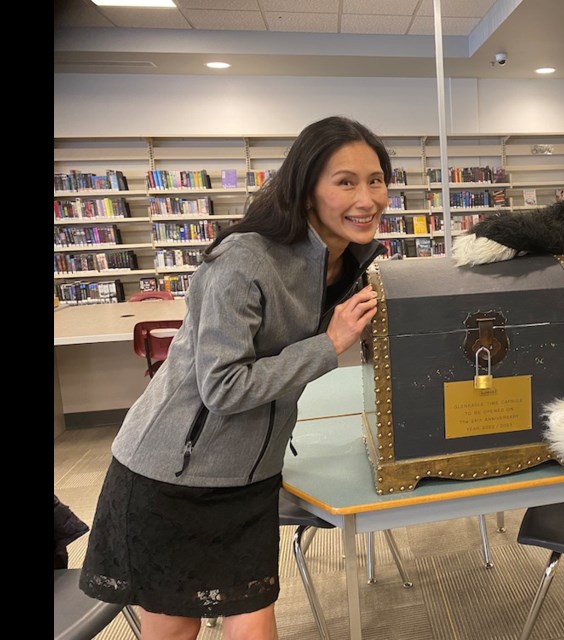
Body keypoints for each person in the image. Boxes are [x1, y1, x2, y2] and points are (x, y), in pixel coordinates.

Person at [79, 116, 390, 640]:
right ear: (306, 189)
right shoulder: (241, 260)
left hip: (251, 478)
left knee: (253, 625)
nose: (368, 197)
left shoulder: (350, 263)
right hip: (171, 476)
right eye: (346, 181)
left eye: (377, 179)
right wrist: (328, 343)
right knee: (177, 629)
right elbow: (223, 388)